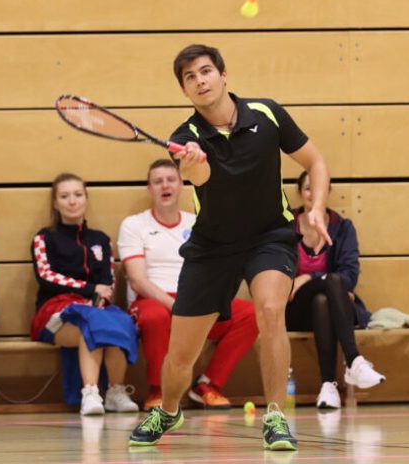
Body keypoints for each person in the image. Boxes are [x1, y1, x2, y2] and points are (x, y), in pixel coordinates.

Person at [129, 44, 332, 451]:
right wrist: (194, 164)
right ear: (185, 91)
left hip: (269, 237)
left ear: (224, 76)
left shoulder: (268, 113)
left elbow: (316, 162)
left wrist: (317, 209)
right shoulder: (184, 139)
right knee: (181, 355)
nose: (200, 80)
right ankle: (168, 410)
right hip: (212, 247)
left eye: (205, 71)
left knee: (271, 311)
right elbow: (203, 180)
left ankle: (275, 416)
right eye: (190, 77)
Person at [118, 159, 259, 411]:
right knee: (155, 318)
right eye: (157, 181)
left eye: (171, 180)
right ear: (149, 188)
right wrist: (176, 305)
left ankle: (207, 385)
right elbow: (138, 280)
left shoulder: (198, 222)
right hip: (155, 300)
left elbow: (216, 269)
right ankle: (158, 391)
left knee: (250, 314)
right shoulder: (134, 225)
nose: (165, 186)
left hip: (196, 299)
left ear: (181, 184)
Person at [29, 172, 139, 416]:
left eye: (78, 195)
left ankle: (115, 391)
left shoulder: (101, 240)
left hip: (95, 308)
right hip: (55, 312)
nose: (72, 201)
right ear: (55, 203)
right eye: (65, 196)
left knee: (119, 321)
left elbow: (108, 281)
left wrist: (98, 299)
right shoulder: (44, 237)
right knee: (94, 322)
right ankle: (89, 392)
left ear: (86, 199)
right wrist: (89, 290)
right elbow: (46, 275)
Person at [288, 170, 385, 410]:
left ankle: (328, 386)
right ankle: (353, 361)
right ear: (300, 192)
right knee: (332, 284)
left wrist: (308, 277)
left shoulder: (342, 227)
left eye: (319, 188)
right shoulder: (285, 227)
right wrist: (331, 285)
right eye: (308, 188)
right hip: (295, 310)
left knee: (323, 299)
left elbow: (349, 276)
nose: (313, 193)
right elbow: (280, 280)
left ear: (327, 192)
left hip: (331, 308)